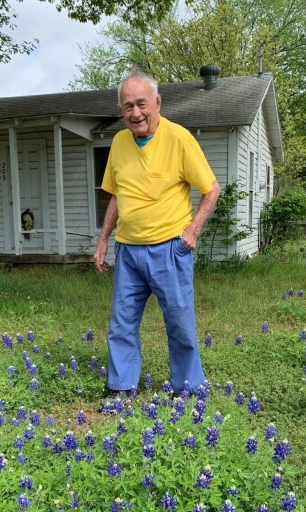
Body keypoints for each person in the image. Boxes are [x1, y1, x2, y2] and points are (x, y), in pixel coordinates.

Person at [94, 69, 221, 403]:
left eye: (141, 104)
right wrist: (104, 239)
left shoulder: (179, 138)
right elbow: (117, 194)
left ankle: (187, 389)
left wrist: (192, 231)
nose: (135, 113)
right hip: (128, 252)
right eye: (127, 107)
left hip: (169, 250)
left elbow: (211, 189)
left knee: (179, 325)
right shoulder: (120, 142)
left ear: (157, 103)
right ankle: (121, 387)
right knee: (121, 323)